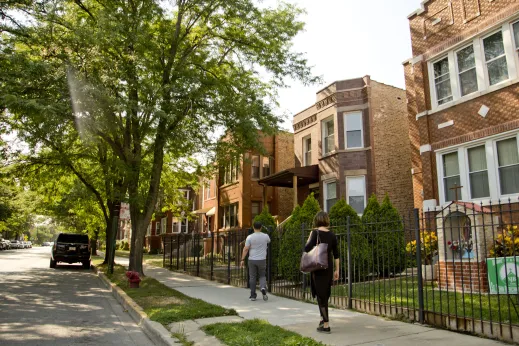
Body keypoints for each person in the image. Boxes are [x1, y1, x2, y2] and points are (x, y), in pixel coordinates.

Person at [304, 211, 339, 333]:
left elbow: (306, 248)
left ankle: (326, 325)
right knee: (325, 294)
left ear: (317, 220)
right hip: (328, 267)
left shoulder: (315, 233)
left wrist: (310, 237)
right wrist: (337, 270)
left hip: (317, 268)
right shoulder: (332, 235)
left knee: (321, 296)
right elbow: (336, 255)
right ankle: (322, 319)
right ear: (326, 220)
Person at [240, 221, 270, 301]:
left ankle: (253, 295)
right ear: (261, 227)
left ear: (253, 227)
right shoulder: (265, 236)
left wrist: (242, 259)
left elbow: (246, 249)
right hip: (262, 259)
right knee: (262, 275)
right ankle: (263, 287)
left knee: (252, 277)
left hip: (252, 260)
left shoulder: (250, 237)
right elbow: (269, 241)